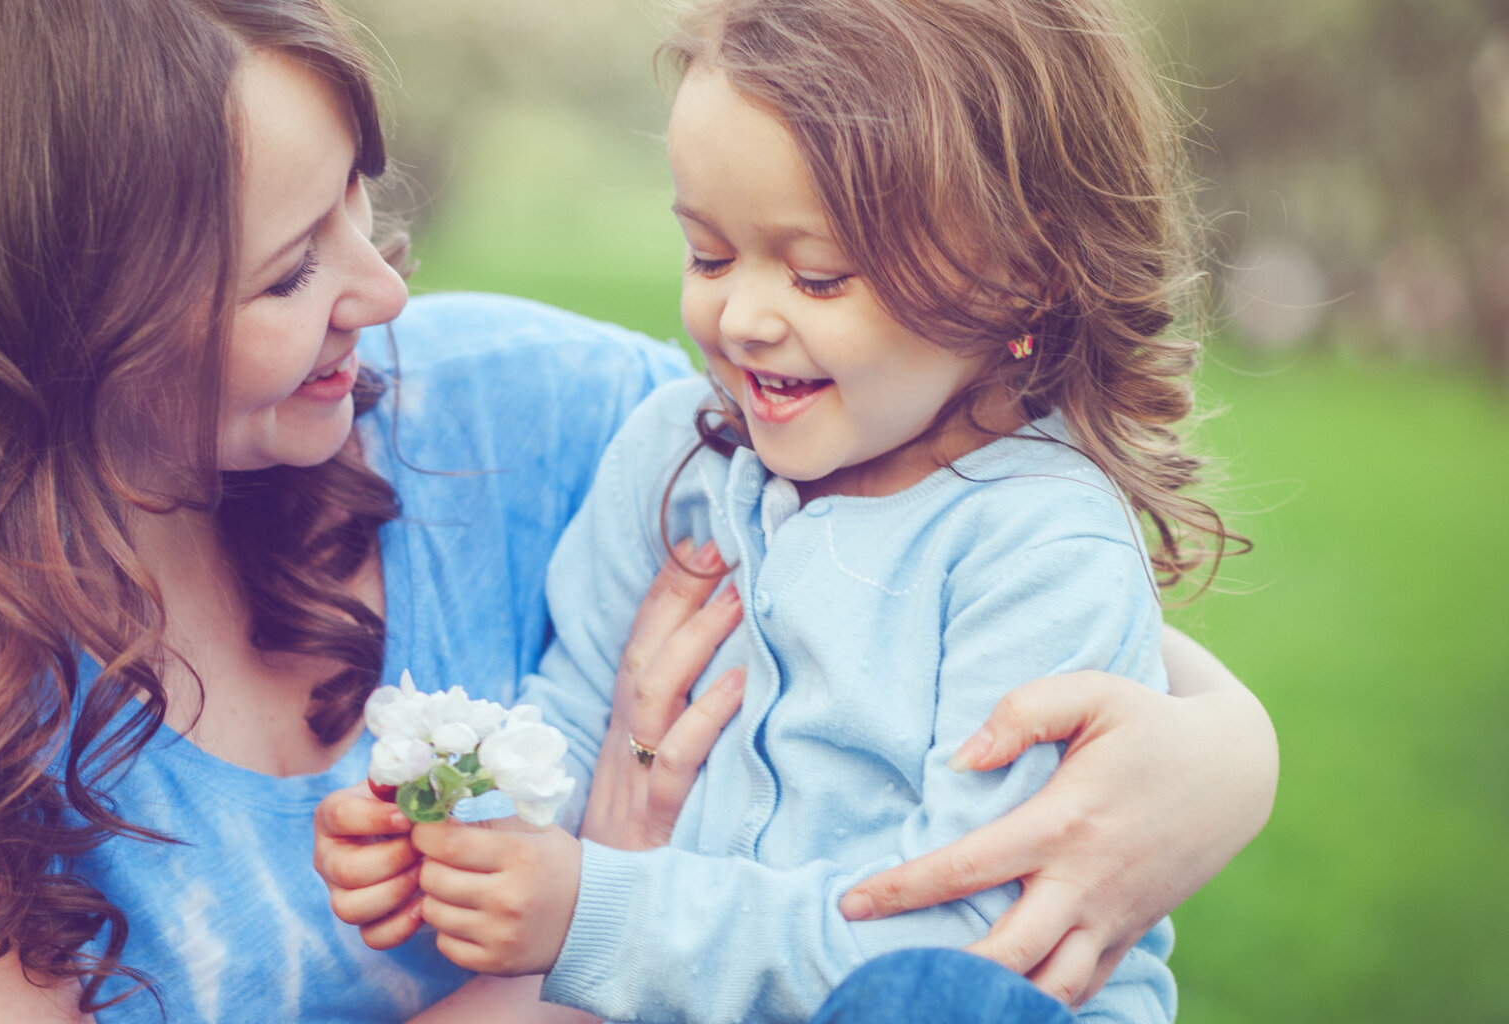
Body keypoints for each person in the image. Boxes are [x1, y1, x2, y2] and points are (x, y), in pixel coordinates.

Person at [0, 0, 1273, 1022]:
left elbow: (945, 569)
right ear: (41, 329)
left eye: (362, 213)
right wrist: (588, 875)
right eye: (283, 269)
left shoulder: (505, 410)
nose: (379, 297)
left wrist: (1218, 758)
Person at [317, 0, 1253, 1021]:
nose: (742, 318)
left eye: (816, 276)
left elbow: (967, 933)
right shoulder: (677, 461)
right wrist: (459, 830)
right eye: (709, 257)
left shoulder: (1034, 546)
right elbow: (574, 713)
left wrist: (595, 910)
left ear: (1024, 281)